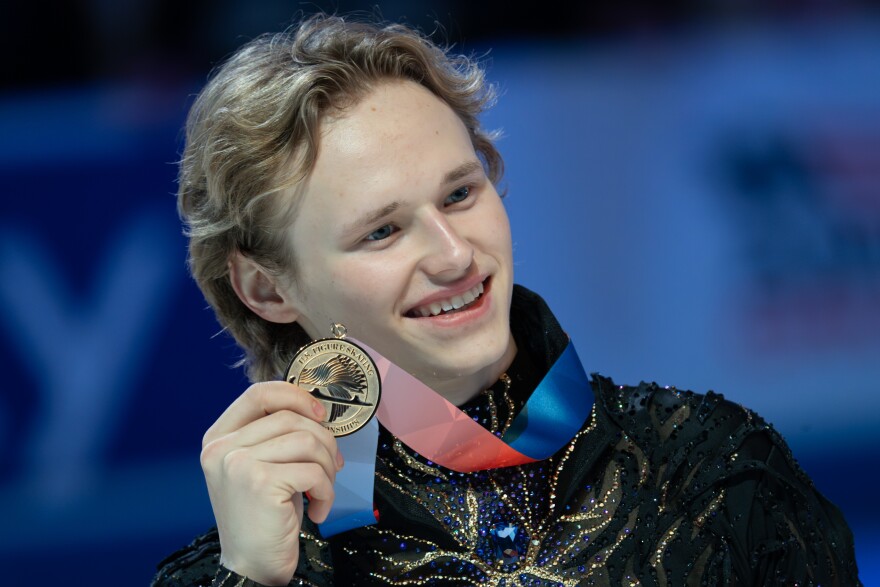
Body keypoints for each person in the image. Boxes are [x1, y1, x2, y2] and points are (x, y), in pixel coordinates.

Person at [152, 13, 861, 587]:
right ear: (267, 288)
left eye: (460, 193)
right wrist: (252, 579)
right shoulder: (255, 565)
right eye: (382, 231)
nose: (455, 255)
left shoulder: (713, 470)